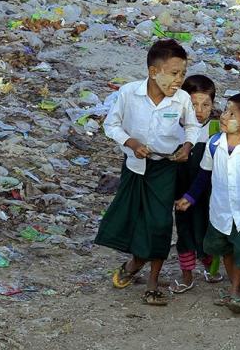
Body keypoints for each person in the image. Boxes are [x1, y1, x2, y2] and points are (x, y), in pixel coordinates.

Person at [95, 39, 200, 306]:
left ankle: (152, 281)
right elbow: (112, 125)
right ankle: (132, 264)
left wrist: (187, 147)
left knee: (160, 223)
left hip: (165, 167)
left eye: (183, 73)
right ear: (154, 72)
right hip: (134, 166)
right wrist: (132, 143)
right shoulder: (129, 93)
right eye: (174, 73)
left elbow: (192, 127)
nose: (179, 79)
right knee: (131, 220)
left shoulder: (182, 99)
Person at [176, 93, 240, 313]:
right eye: (226, 110)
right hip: (219, 212)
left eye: (231, 113)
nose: (224, 115)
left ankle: (236, 290)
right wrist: (189, 198)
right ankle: (234, 287)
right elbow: (204, 175)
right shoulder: (213, 144)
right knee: (225, 249)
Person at [170, 75, 223, 294]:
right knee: (185, 232)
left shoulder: (215, 130)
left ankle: (210, 267)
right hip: (181, 192)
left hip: (208, 193)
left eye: (206, 105)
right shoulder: (173, 128)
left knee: (208, 230)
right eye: (193, 105)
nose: (199, 110)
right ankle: (187, 275)